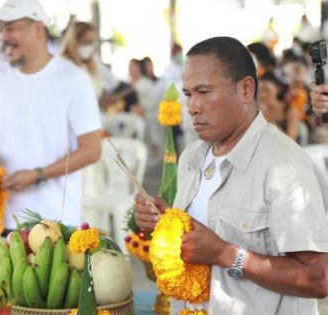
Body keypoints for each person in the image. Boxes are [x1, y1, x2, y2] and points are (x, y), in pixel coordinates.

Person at [134, 36, 328, 314]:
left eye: (204, 92)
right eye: (189, 94)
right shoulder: (192, 157)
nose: (192, 107)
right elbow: (202, 232)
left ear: (246, 89)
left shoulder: (285, 165)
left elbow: (317, 279)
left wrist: (226, 254)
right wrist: (168, 222)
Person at [0, 0, 102, 244]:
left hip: (52, 220)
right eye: (1, 30)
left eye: (11, 28)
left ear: (38, 29)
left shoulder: (72, 79)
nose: (3, 37)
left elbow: (92, 149)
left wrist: (39, 174)